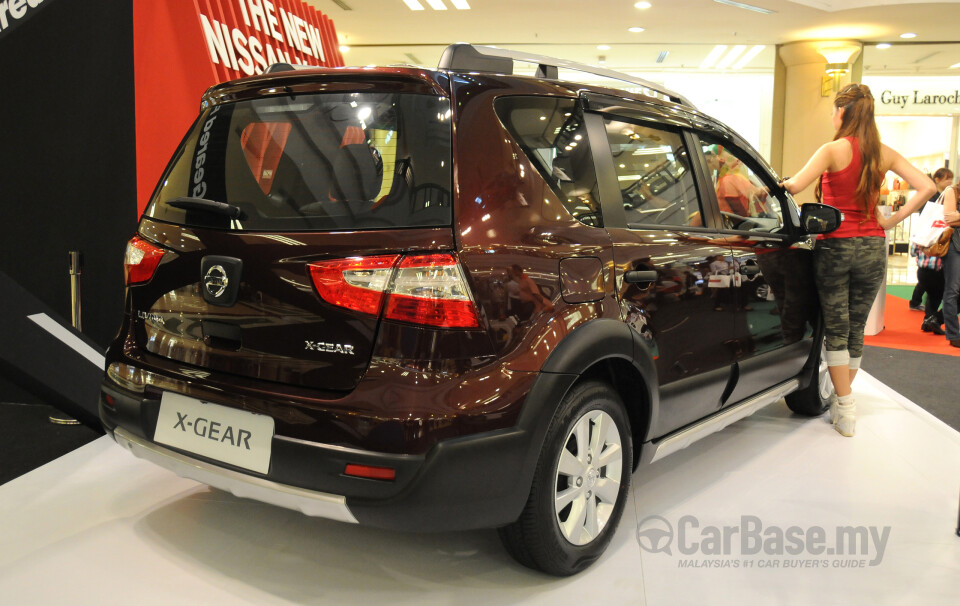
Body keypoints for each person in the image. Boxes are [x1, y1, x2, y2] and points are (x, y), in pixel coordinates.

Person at [779, 83, 936, 437]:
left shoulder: (832, 149)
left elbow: (795, 185)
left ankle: (845, 405)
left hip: (835, 247)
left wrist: (778, 182)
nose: (833, 117)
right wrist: (891, 220)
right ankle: (843, 401)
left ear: (843, 113)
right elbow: (926, 186)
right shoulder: (883, 152)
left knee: (835, 326)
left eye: (834, 111)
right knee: (856, 329)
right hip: (872, 247)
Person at [909, 168, 954, 312]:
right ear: (937, 179)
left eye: (951, 178)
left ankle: (920, 307)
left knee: (929, 284)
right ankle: (922, 308)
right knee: (934, 287)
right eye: (947, 178)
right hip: (932, 243)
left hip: (928, 251)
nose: (950, 181)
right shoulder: (932, 198)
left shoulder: (942, 195)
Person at [941, 183, 960, 348]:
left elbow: (955, 217)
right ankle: (953, 334)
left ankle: (937, 319)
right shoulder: (952, 191)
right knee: (952, 290)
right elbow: (949, 218)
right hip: (955, 246)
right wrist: (955, 218)